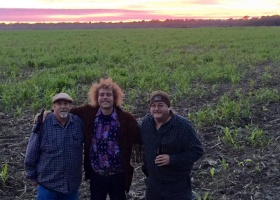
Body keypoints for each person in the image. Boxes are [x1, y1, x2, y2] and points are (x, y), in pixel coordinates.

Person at [70, 77, 142, 200]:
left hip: (118, 175)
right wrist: (46, 113)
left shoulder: (126, 119)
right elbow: (67, 110)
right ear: (96, 98)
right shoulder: (89, 113)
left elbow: (141, 139)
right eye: (101, 95)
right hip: (97, 175)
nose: (105, 97)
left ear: (114, 98)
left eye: (108, 95)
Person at [140, 90, 204, 200]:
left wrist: (172, 159)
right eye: (153, 106)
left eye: (160, 105)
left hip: (177, 186)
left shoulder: (182, 126)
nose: (156, 109)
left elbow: (197, 150)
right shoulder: (146, 123)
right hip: (153, 185)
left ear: (169, 107)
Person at [25, 93, 84, 200]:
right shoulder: (42, 123)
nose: (62, 106)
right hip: (48, 185)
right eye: (59, 104)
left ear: (71, 106)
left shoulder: (79, 123)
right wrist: (32, 175)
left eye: (66, 103)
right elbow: (32, 150)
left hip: (71, 185)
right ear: (53, 107)